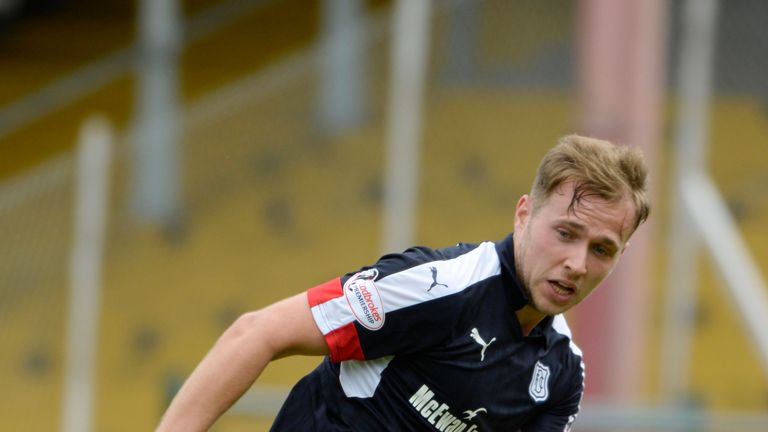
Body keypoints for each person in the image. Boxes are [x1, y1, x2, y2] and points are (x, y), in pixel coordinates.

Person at [156, 134, 650, 431]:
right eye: (565, 233)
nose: (577, 263)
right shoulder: (438, 287)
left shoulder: (561, 373)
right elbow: (257, 332)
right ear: (524, 215)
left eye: (602, 249)